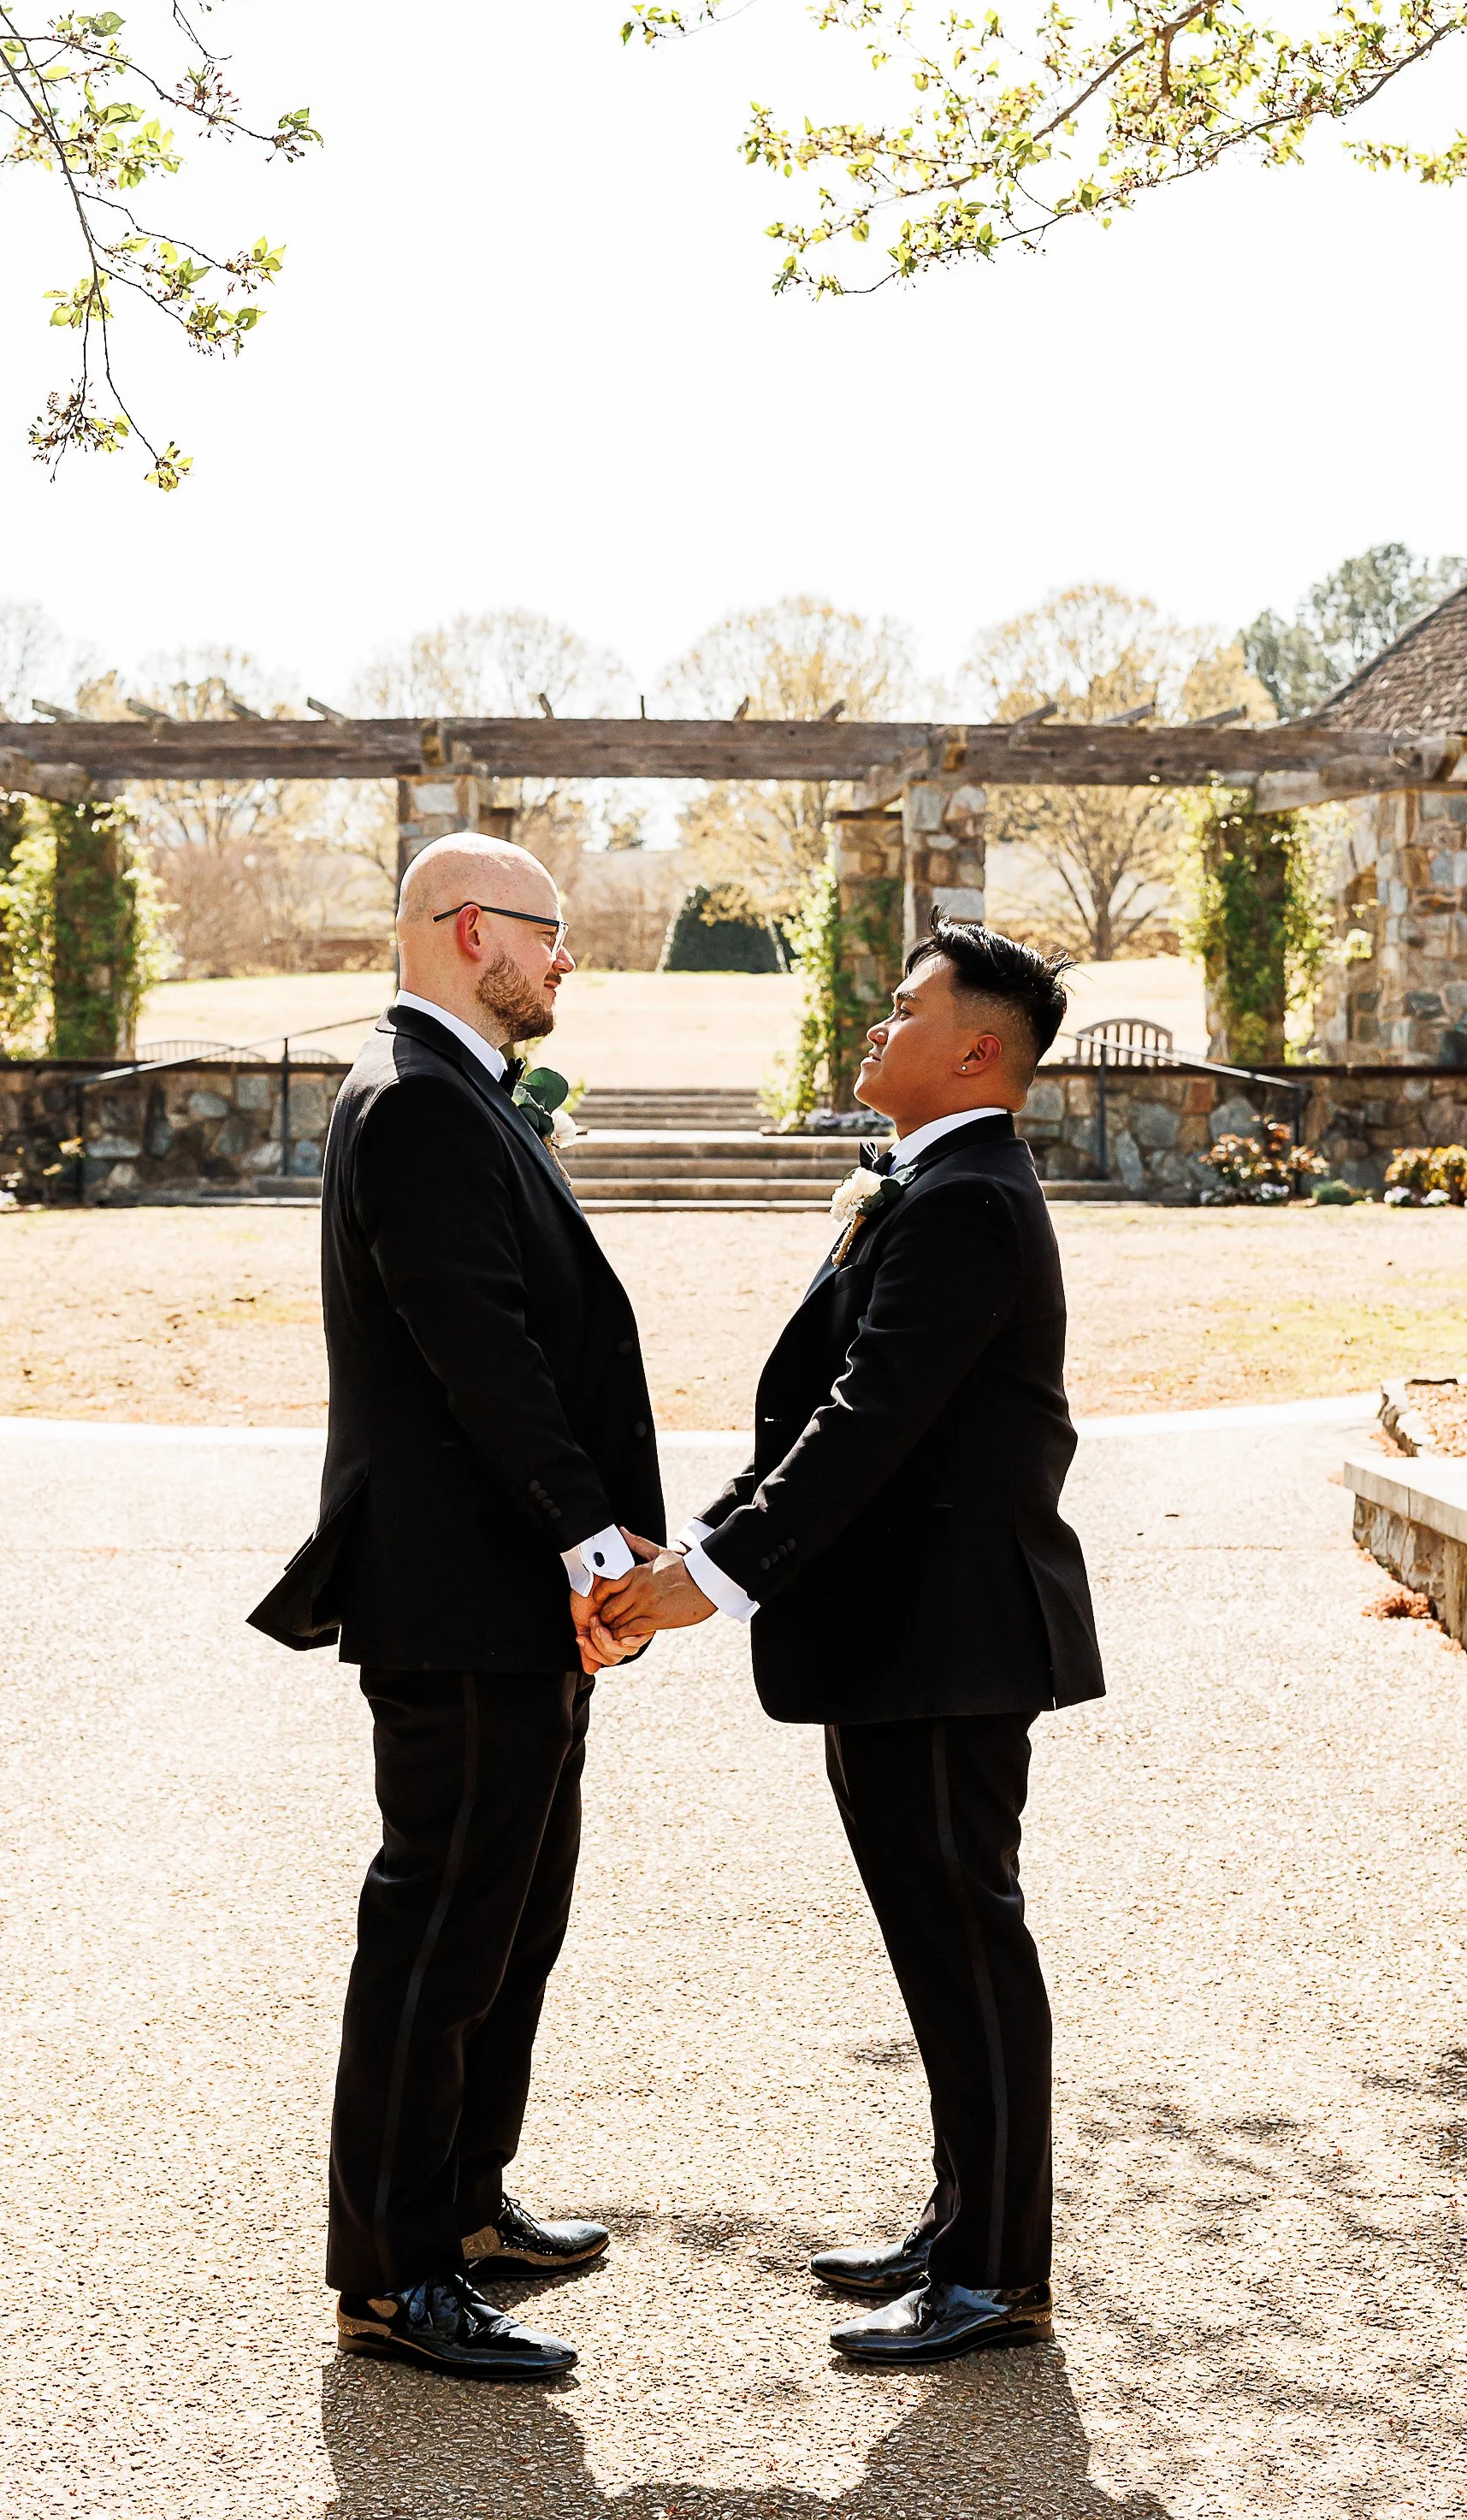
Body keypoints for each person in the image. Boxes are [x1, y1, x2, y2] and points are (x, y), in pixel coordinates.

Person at [589, 920, 1103, 2367]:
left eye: (904, 1010)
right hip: (898, 1638)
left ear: (979, 1052)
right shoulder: (934, 1182)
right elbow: (829, 1414)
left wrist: (721, 1574)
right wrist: (697, 1545)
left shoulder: (970, 1201)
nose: (876, 1029)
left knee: (968, 1943)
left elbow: (869, 1420)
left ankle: (1000, 2273)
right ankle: (963, 2222)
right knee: (935, 1944)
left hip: (947, 1641)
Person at [248, 832, 665, 2381]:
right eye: (554, 934)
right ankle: (392, 2270)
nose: (570, 963)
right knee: (434, 1929)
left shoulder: (457, 1086)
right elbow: (476, 1349)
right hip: (465, 1592)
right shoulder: (419, 1098)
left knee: (513, 1919)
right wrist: (590, 1548)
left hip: (512, 1597)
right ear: (469, 927)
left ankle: (469, 2204)